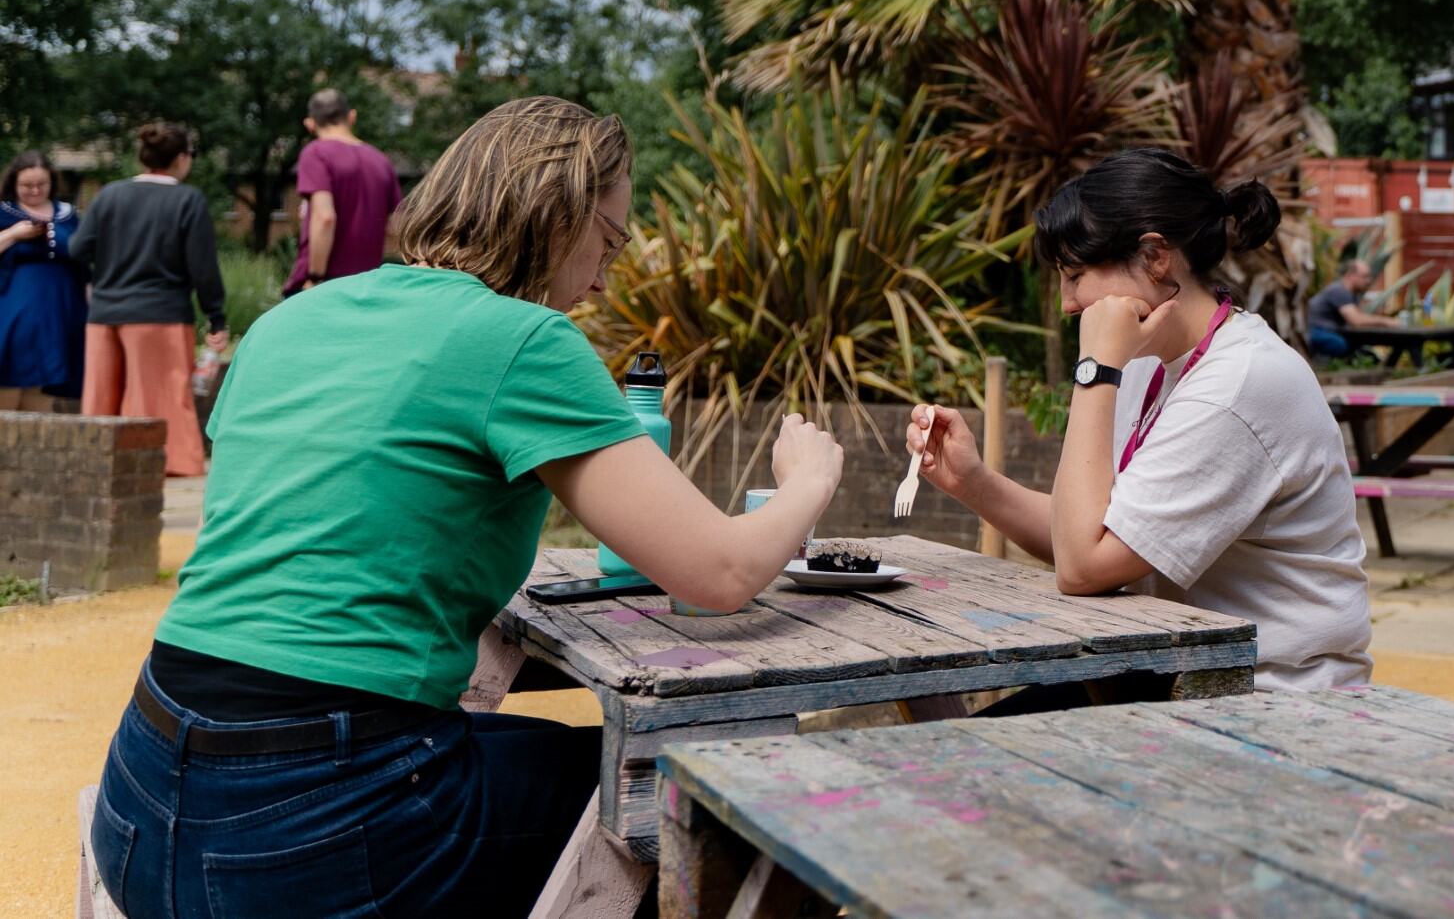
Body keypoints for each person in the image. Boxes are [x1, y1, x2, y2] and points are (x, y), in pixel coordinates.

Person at [90, 95, 846, 919]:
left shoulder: (287, 321)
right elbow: (719, 571)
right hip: (308, 830)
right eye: (610, 241)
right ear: (559, 211)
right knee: (731, 795)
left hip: (142, 793)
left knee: (561, 760)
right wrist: (808, 477)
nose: (602, 279)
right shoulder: (522, 338)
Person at [906, 148, 1371, 691]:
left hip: (1273, 702)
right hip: (1172, 681)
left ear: (1155, 257)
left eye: (1076, 275)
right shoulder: (1148, 361)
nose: (1066, 303)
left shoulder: (1238, 384)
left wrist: (1095, 370)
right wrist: (974, 482)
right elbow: (1090, 533)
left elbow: (1082, 568)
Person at [70, 122, 224, 477]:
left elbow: (78, 248)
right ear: (182, 159)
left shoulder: (109, 195)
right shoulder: (187, 200)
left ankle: (94, 469)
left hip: (105, 314)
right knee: (162, 400)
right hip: (160, 314)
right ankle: (166, 473)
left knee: (99, 403)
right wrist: (215, 317)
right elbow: (203, 268)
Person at [283, 87, 403, 294]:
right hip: (365, 286)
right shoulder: (381, 161)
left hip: (327, 283)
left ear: (310, 124)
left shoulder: (316, 153)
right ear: (351, 116)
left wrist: (315, 278)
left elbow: (325, 216)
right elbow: (398, 225)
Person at [0, 151, 85, 408]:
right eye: (27, 185)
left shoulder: (68, 216)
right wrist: (13, 234)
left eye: (41, 185)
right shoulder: (5, 213)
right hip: (14, 305)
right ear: (14, 183)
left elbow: (84, 257)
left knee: (48, 377)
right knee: (12, 372)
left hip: (60, 309)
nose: (35, 191)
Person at [1304, 255, 1392, 362]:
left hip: (1327, 331)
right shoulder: (1339, 290)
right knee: (1340, 345)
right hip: (1314, 331)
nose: (1368, 281)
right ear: (1351, 275)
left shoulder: (1351, 293)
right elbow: (1357, 320)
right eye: (1365, 276)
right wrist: (1386, 322)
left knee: (1357, 346)